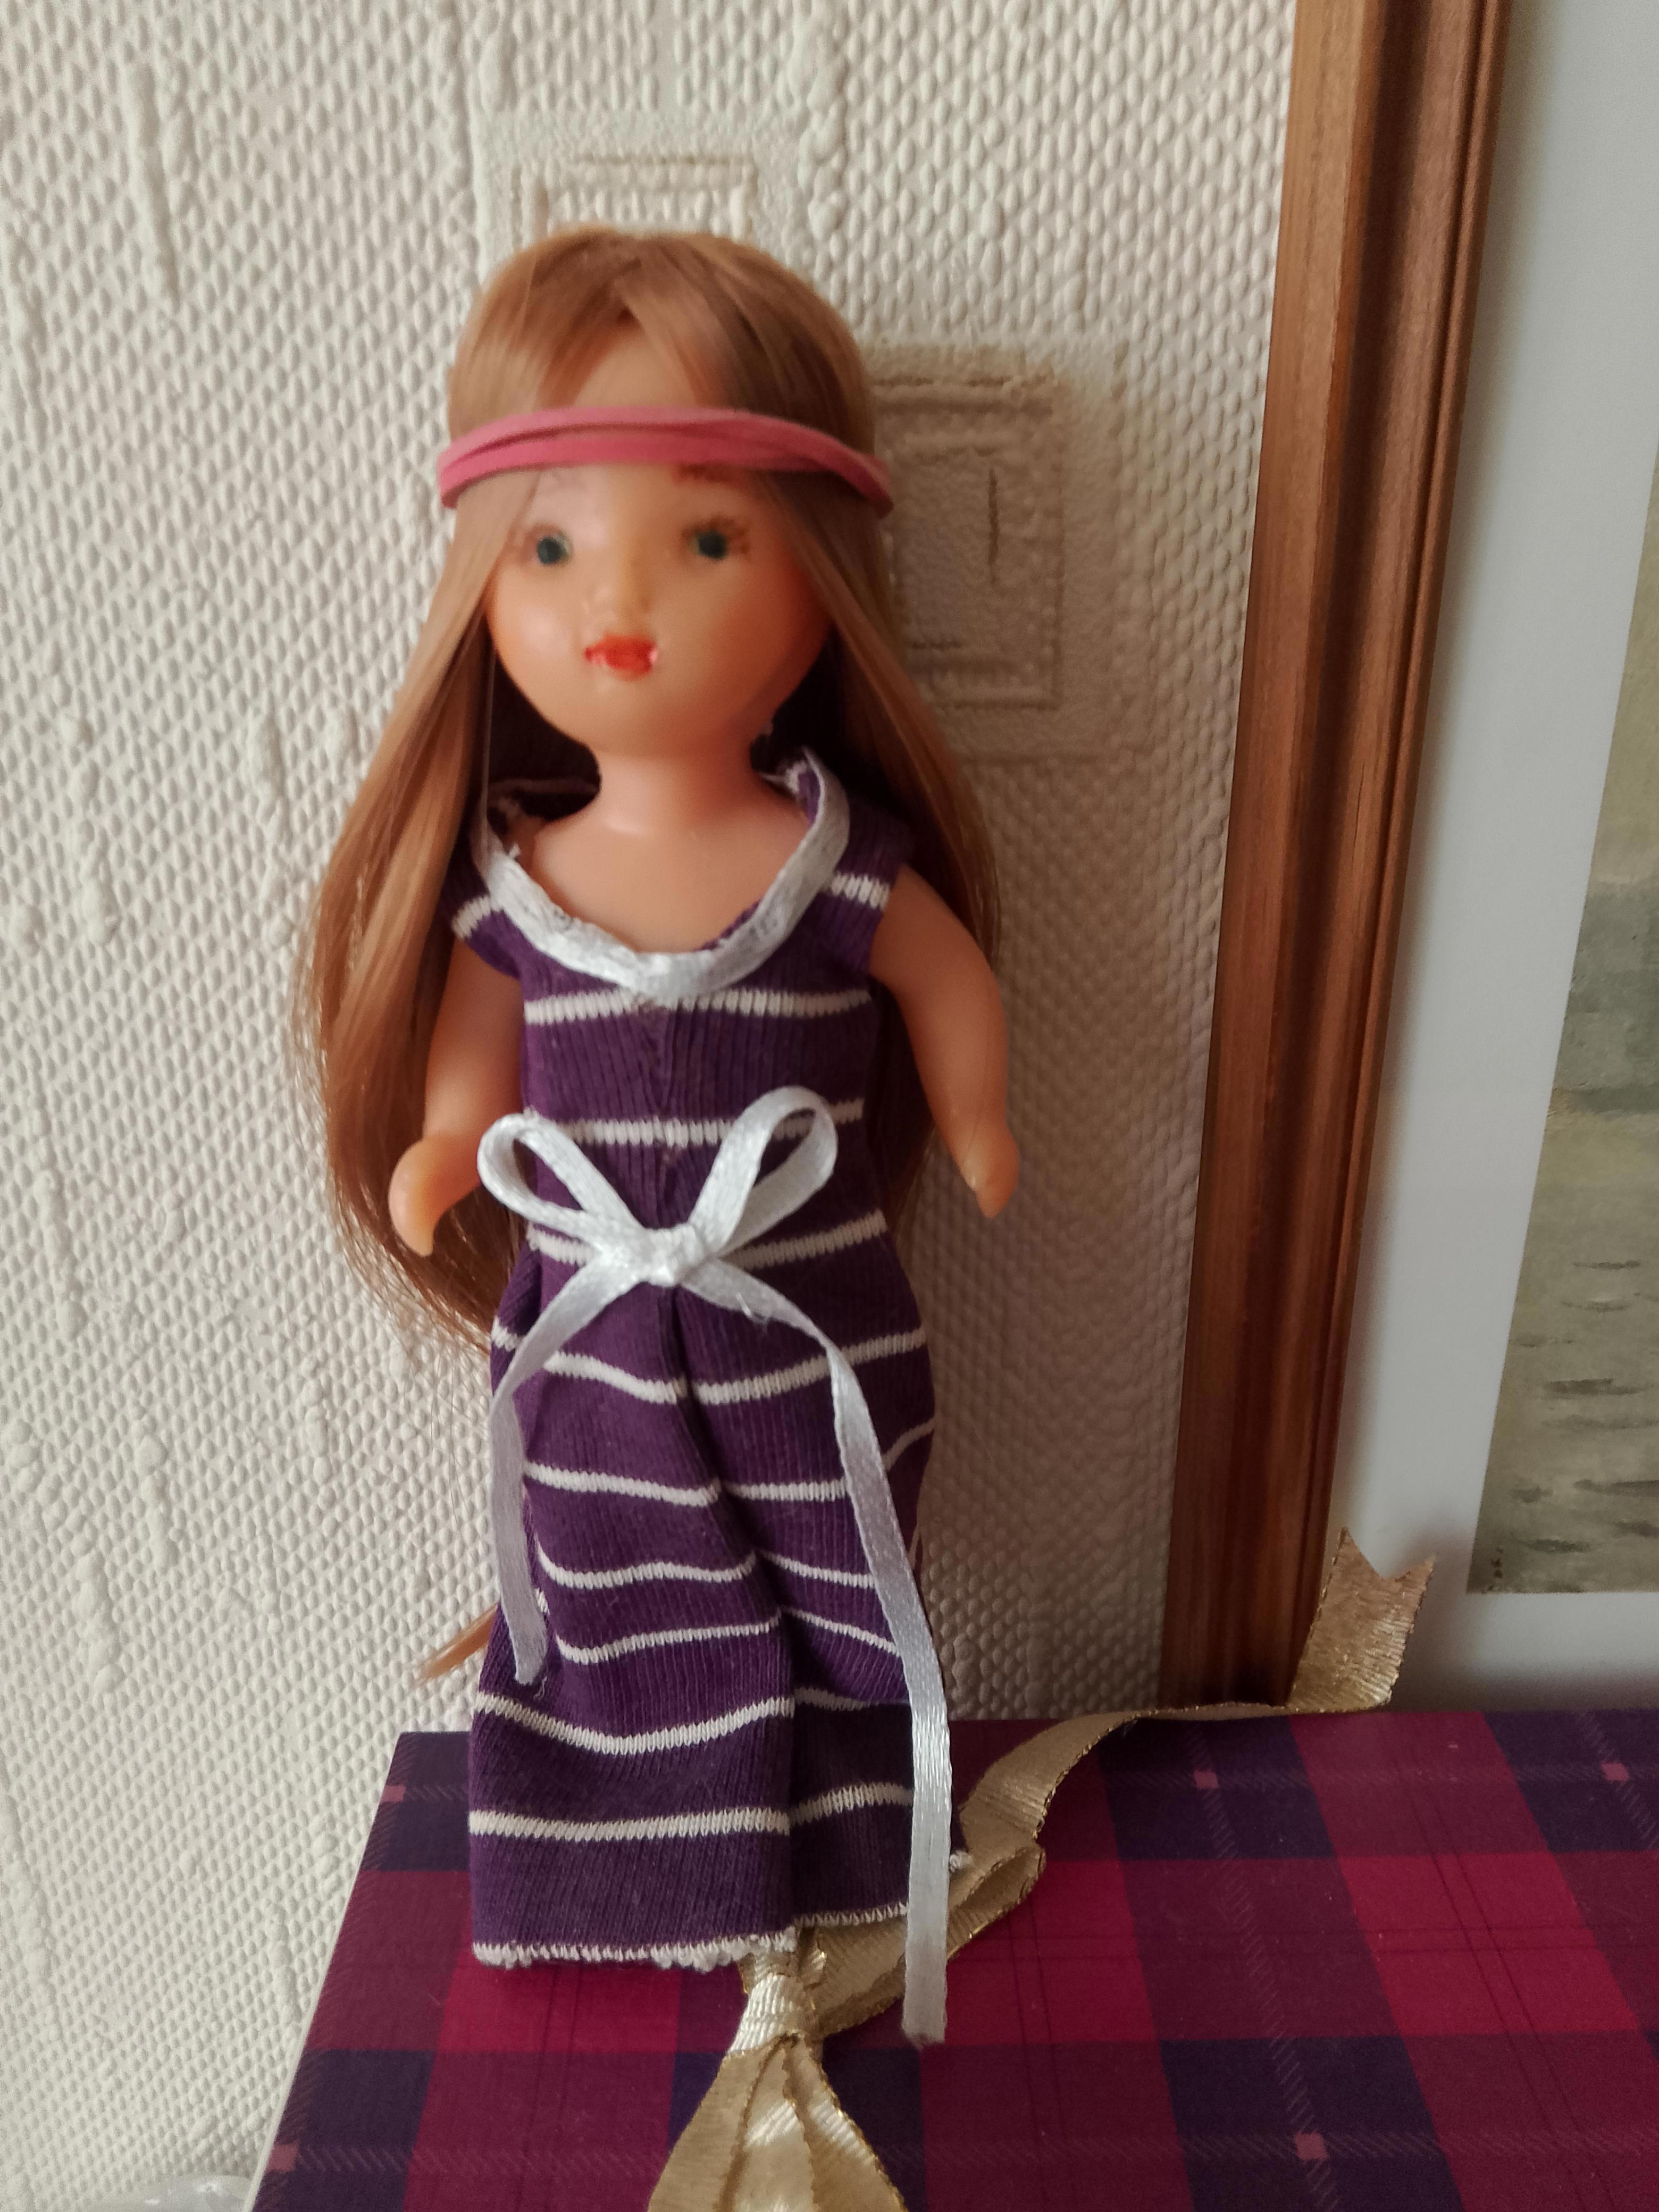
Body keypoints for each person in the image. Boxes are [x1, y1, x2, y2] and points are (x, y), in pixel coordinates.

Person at [302, 226, 1016, 2039]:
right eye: (549, 549)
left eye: (706, 542)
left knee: (838, 1570)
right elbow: (474, 1067)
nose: (617, 603)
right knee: (617, 1598)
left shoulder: (831, 863)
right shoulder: (520, 893)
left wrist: (979, 1114)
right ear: (483, 582)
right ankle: (632, 1863)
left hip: (809, 1323)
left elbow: (945, 978)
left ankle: (845, 1851)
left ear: (820, 578)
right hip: (597, 1345)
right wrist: (443, 1149)